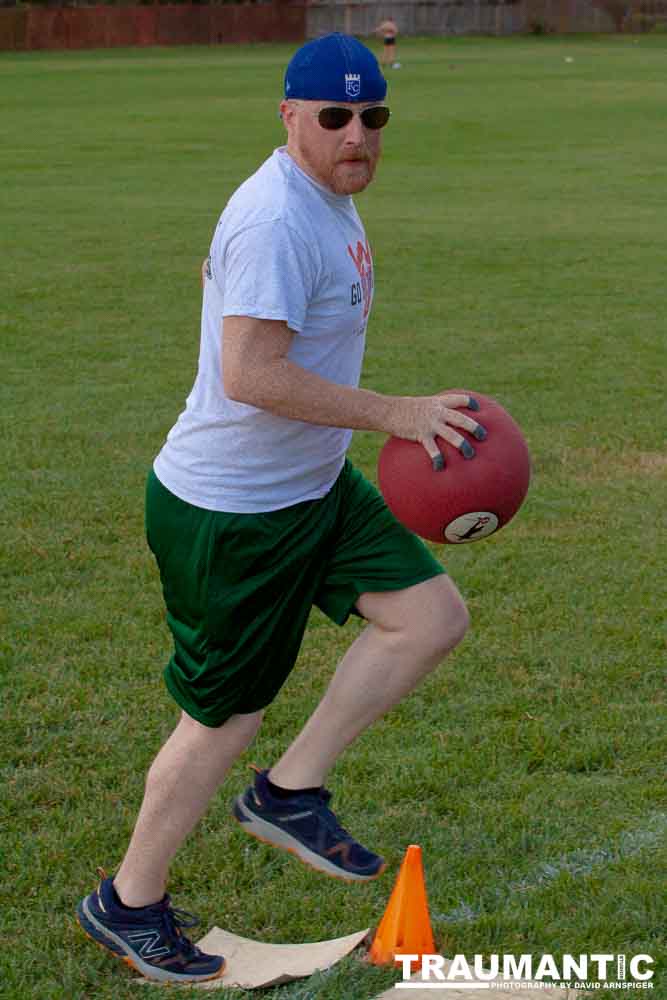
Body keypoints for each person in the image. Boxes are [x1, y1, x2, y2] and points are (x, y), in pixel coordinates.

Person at [76, 32, 484, 986]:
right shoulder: (274, 219)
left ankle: (289, 793)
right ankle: (128, 903)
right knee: (222, 718)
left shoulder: (326, 197)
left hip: (313, 485)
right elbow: (249, 372)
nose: (357, 134)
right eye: (334, 116)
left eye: (372, 116)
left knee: (427, 618)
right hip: (234, 512)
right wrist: (396, 414)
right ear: (290, 115)